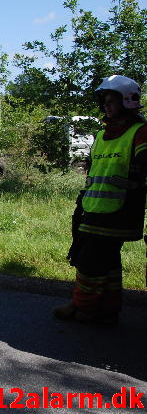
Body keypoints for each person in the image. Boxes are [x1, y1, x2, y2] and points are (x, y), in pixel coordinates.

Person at [54, 75, 147, 324]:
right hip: (93, 208)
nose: (106, 105)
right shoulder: (102, 134)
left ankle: (84, 307)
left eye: (111, 100)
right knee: (108, 262)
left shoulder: (140, 132)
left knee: (90, 262)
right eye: (104, 101)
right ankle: (108, 308)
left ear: (126, 101)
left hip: (120, 211)